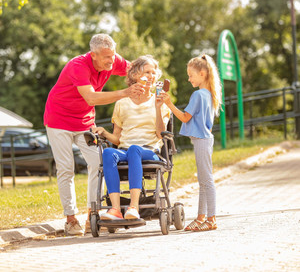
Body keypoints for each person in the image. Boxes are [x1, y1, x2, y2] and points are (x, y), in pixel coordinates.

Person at [44, 34, 144, 235]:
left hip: (84, 122)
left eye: (113, 56)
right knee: (66, 169)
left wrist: (148, 78)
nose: (111, 61)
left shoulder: (112, 61)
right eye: (106, 57)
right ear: (93, 55)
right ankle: (71, 219)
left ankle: (93, 214)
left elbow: (136, 69)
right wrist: (125, 93)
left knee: (98, 164)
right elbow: (90, 97)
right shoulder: (77, 66)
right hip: (59, 120)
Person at [92, 55, 170, 220]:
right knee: (108, 153)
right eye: (146, 72)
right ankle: (115, 209)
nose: (151, 76)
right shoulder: (122, 103)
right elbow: (117, 140)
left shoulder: (160, 101)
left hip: (150, 150)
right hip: (125, 150)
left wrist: (157, 108)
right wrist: (104, 133)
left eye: (153, 72)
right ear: (135, 75)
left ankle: (133, 207)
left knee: (135, 149)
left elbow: (159, 134)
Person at [160, 54, 222, 231]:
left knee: (206, 180)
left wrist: (169, 103)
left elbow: (185, 118)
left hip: (202, 140)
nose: (188, 79)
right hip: (204, 140)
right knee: (203, 180)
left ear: (202, 73)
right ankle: (202, 217)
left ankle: (211, 219)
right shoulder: (209, 94)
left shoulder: (198, 95)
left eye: (191, 75)